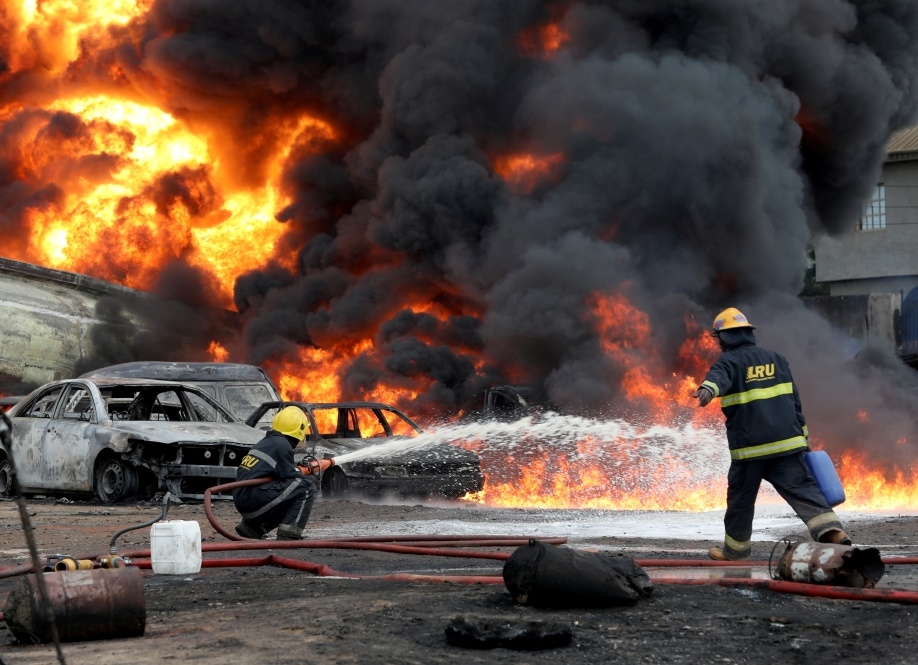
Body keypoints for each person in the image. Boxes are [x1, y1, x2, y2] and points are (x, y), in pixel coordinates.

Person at [693, 307, 851, 561]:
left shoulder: (729, 361)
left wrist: (707, 390)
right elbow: (794, 400)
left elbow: (718, 378)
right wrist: (803, 438)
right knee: (804, 491)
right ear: (747, 333)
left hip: (751, 450)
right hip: (788, 444)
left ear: (723, 338)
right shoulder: (777, 358)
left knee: (740, 502)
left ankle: (736, 551)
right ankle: (833, 533)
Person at [233, 405, 316, 540]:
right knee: (307, 486)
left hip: (244, 499)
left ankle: (252, 528)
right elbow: (292, 478)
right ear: (299, 430)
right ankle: (289, 535)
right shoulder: (282, 445)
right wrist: (304, 472)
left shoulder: (267, 442)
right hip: (252, 499)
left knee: (290, 492)